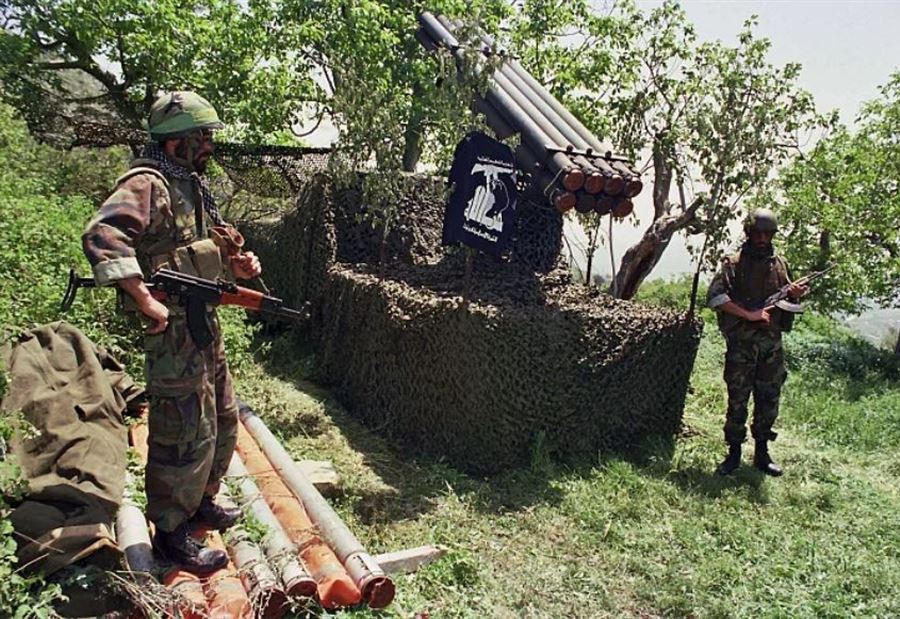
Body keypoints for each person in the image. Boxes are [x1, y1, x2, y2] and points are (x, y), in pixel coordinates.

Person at [82, 91, 262, 573]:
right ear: (176, 141)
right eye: (202, 137)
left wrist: (239, 263)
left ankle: (202, 499)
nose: (209, 145)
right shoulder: (147, 182)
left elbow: (208, 244)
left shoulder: (192, 186)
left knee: (222, 416)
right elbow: (103, 235)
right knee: (182, 427)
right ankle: (169, 531)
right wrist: (142, 296)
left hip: (204, 322)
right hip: (172, 329)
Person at [707, 208, 808, 477]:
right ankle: (734, 454)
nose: (763, 238)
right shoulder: (733, 263)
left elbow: (787, 302)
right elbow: (716, 297)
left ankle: (762, 452)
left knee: (769, 399)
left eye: (768, 233)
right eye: (758, 233)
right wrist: (748, 314)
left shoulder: (780, 264)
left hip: (771, 346)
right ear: (748, 232)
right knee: (738, 399)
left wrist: (794, 295)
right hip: (742, 345)